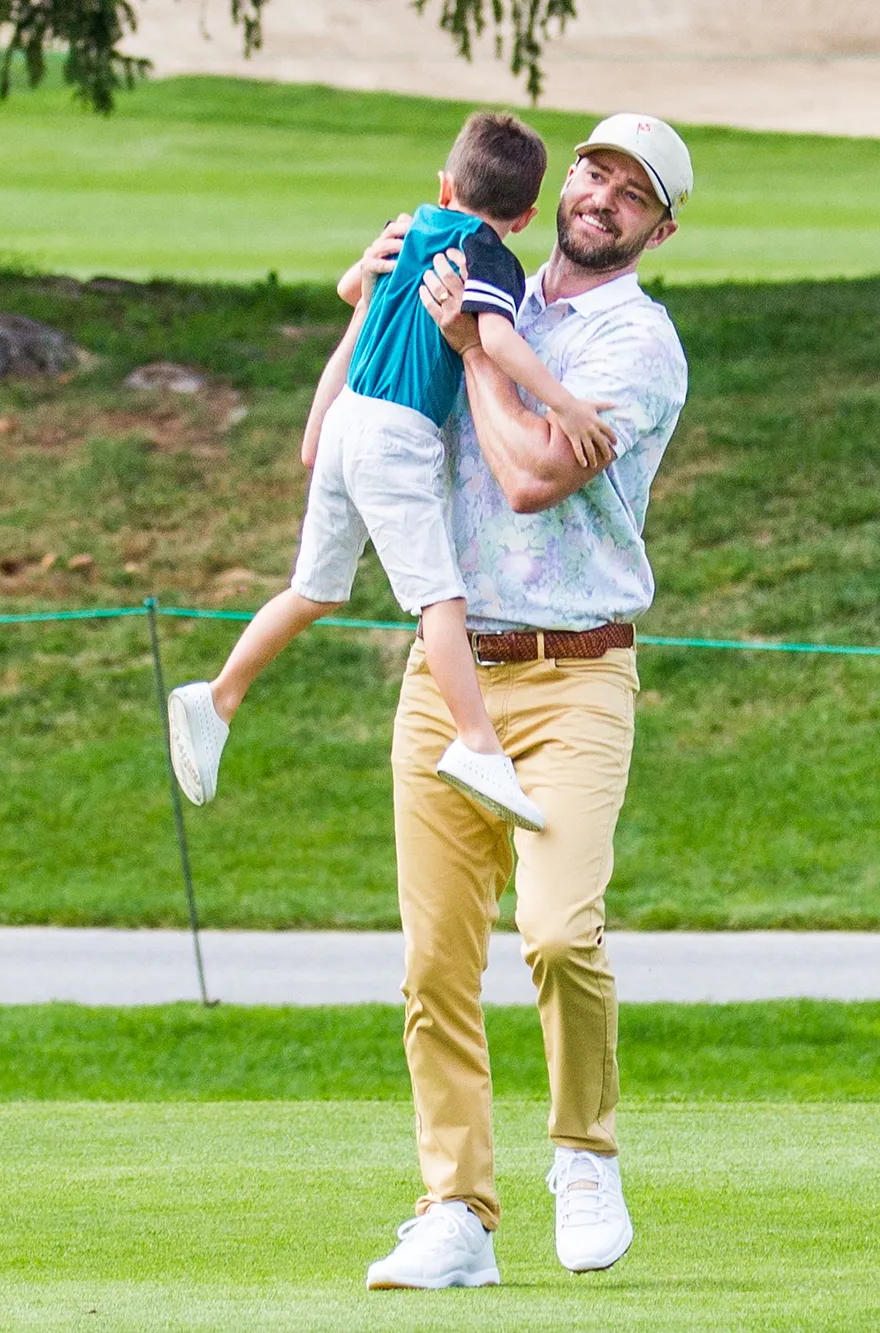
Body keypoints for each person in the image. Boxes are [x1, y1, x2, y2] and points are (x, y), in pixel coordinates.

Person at [348, 112, 693, 1290]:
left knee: (557, 931)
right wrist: (385, 279)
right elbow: (368, 389)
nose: (602, 194)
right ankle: (455, 1210)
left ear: (660, 226)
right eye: (594, 170)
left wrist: (475, 346)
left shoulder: (637, 343)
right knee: (436, 960)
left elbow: (533, 474)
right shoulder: (477, 268)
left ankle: (584, 1152)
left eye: (631, 191)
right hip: (451, 672)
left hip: (577, 672)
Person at [163, 111, 623, 833]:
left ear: (445, 183)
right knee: (440, 598)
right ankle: (476, 743)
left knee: (313, 587)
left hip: (348, 417)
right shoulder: (489, 256)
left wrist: (368, 273)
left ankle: (218, 696)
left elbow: (354, 286)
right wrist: (563, 405)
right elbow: (493, 338)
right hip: (396, 435)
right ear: (528, 216)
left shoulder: (410, 226)